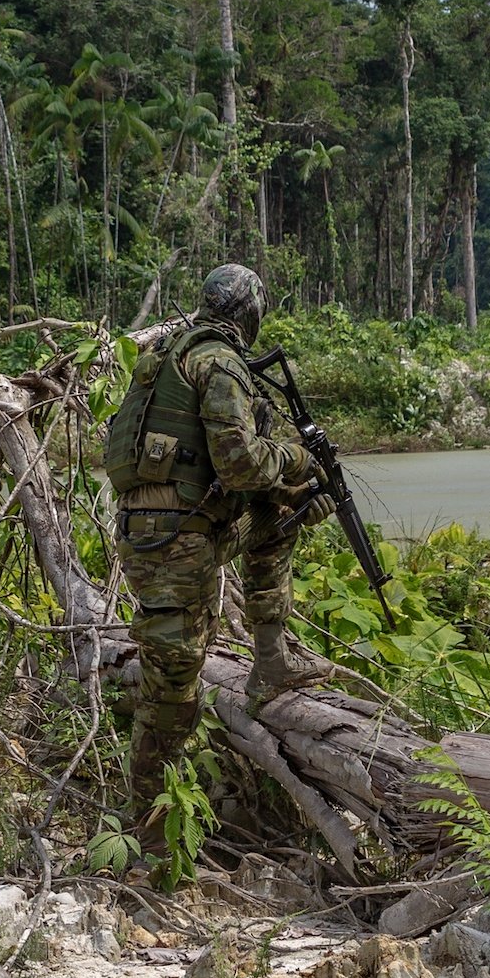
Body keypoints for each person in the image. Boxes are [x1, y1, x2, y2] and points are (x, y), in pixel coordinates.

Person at [106, 262, 319, 856]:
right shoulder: (217, 363)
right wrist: (297, 462)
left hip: (171, 530)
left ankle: (271, 661)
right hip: (173, 541)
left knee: (281, 518)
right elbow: (241, 465)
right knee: (174, 686)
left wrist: (294, 494)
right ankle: (148, 837)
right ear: (249, 313)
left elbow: (239, 480)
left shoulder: (169, 355)